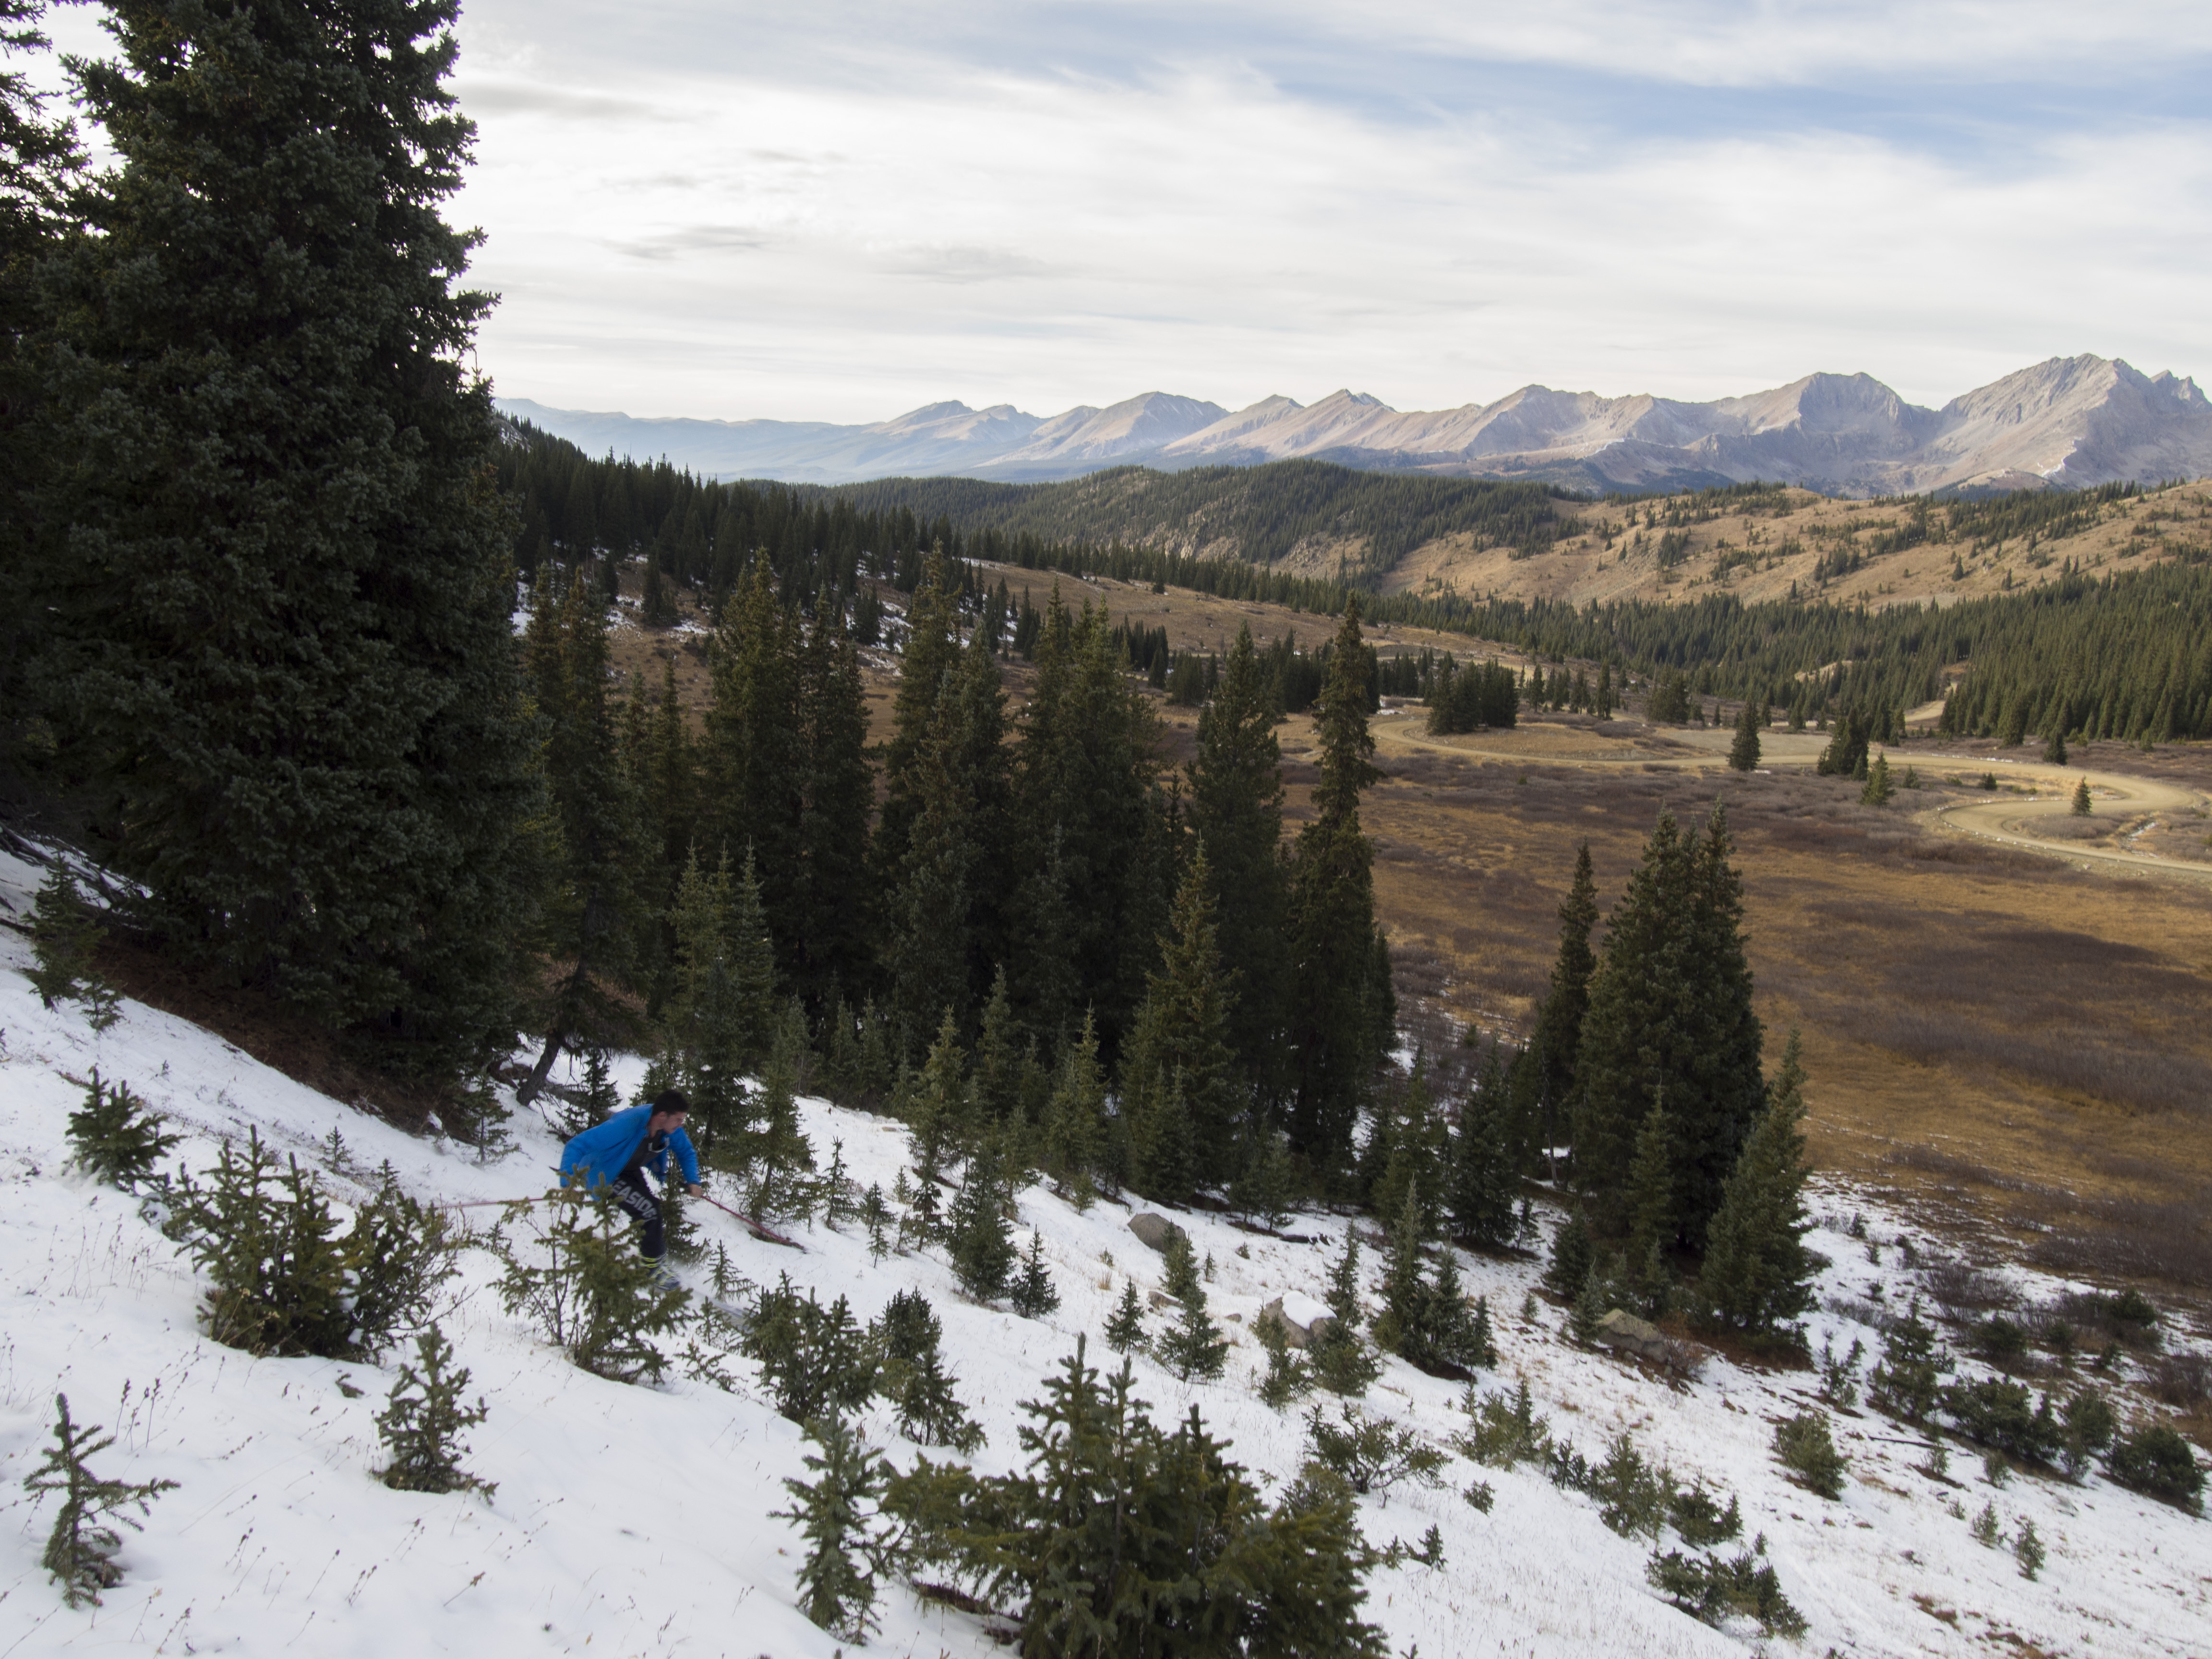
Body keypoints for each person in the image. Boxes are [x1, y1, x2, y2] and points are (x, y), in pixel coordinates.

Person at [558, 1088, 703, 1284]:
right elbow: (577, 1145)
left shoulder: (671, 1130)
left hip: (627, 1169)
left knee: (651, 1207)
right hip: (604, 1174)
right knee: (649, 1210)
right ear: (662, 1116)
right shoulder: (627, 1123)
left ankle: (653, 1260)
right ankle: (652, 1269)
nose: (681, 1124)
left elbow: (686, 1152)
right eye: (678, 1119)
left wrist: (693, 1181)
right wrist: (568, 1183)